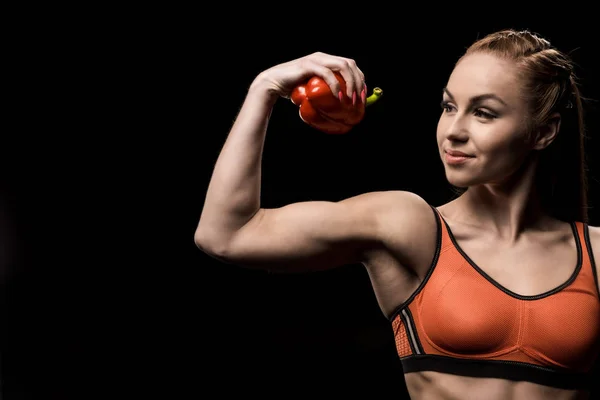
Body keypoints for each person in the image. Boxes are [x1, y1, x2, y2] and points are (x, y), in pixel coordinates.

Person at [194, 29, 600, 399]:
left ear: (545, 131)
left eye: (484, 113)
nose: (453, 130)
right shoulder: (412, 228)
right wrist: (263, 88)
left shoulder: (595, 255)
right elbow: (226, 235)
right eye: (448, 106)